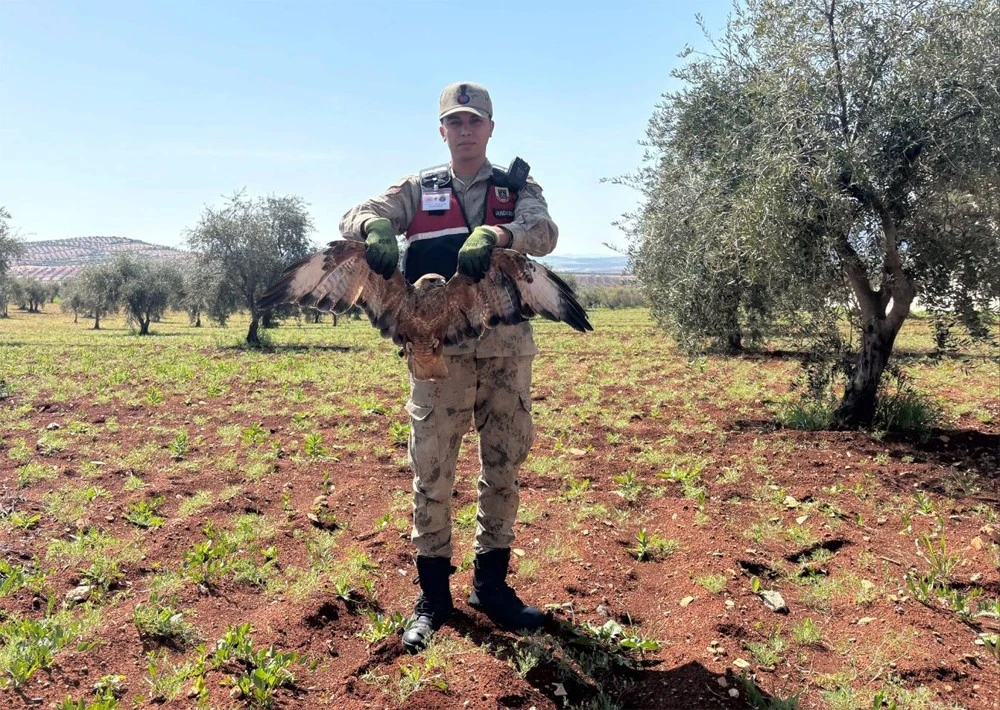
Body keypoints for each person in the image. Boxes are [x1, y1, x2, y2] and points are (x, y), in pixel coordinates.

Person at [338, 81, 558, 653]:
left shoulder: (517, 189)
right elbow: (354, 215)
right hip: (436, 351)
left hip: (507, 352)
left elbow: (546, 233)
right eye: (455, 122)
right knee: (432, 471)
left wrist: (501, 233)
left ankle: (492, 588)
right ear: (443, 130)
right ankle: (434, 598)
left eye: (474, 121)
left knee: (504, 465)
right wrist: (373, 228)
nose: (465, 130)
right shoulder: (419, 188)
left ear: (490, 127)